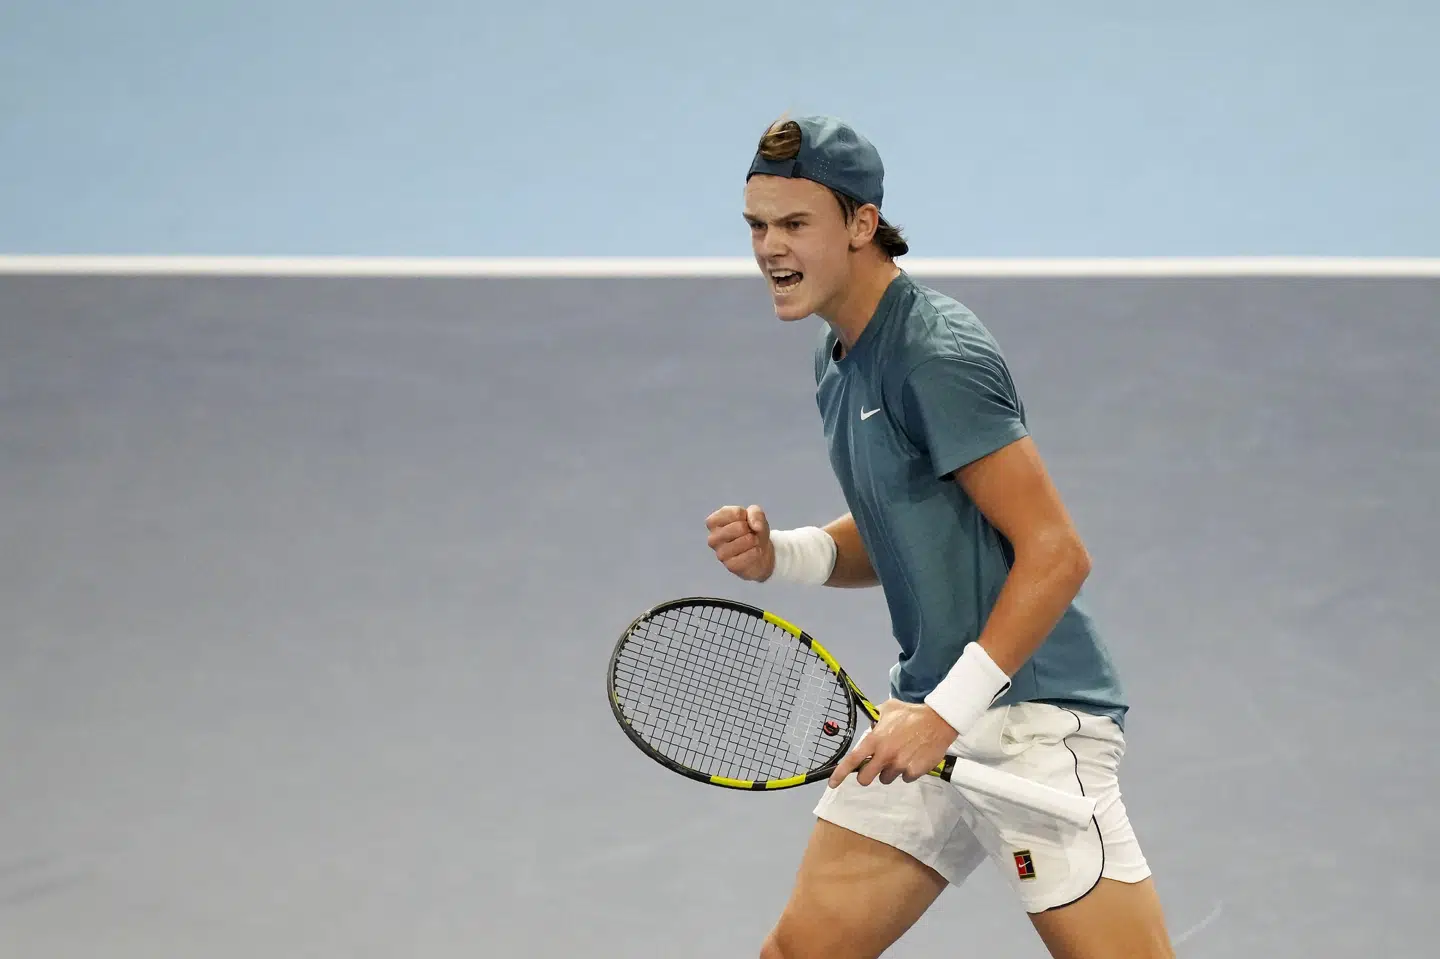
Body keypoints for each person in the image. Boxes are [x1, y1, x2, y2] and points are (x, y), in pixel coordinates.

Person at [705, 115, 1177, 959]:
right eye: (757, 226)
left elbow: (1056, 553)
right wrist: (790, 554)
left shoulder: (935, 355)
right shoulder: (838, 352)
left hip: (1032, 724)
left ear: (861, 223)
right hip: (925, 713)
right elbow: (904, 529)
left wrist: (944, 718)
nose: (770, 248)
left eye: (794, 223)